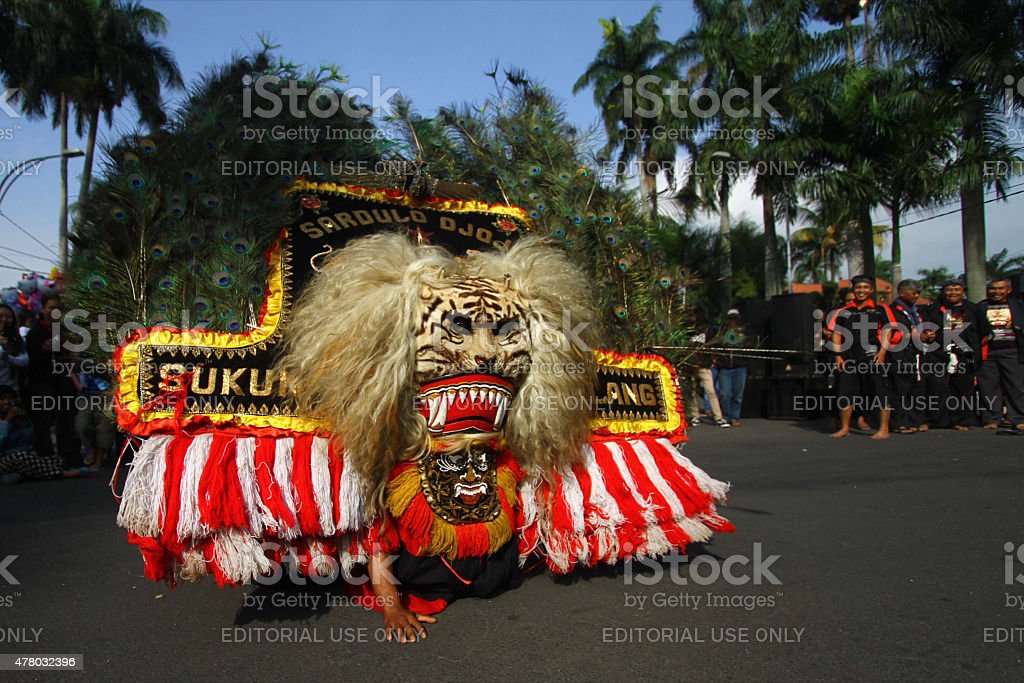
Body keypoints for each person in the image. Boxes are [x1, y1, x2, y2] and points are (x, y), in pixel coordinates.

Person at [826, 274, 895, 439]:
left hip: (873, 357)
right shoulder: (843, 312)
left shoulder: (881, 309)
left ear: (871, 290)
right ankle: (844, 428)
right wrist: (838, 357)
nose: (861, 291)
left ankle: (883, 429)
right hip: (850, 358)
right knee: (845, 394)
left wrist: (882, 352)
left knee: (880, 393)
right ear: (853, 290)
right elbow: (836, 334)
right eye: (858, 288)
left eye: (865, 288)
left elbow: (888, 330)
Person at [24, 294, 80, 467]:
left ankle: (69, 457)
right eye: (50, 307)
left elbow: (69, 358)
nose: (54, 311)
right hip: (41, 383)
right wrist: (44, 350)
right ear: (43, 309)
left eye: (58, 308)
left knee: (67, 420)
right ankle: (47, 458)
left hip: (62, 382)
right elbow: (32, 361)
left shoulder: (63, 331)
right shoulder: (35, 332)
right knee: (44, 422)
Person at [919, 280, 980, 430]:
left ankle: (961, 420)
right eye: (949, 290)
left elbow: (982, 330)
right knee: (935, 388)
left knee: (962, 389)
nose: (953, 293)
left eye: (957, 289)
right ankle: (934, 420)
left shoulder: (973, 309)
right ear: (942, 292)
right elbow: (923, 328)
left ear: (963, 291)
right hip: (938, 353)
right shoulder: (932, 309)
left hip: (964, 353)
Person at [0, 385, 87, 483]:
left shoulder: (19, 418)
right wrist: (7, 421)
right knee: (20, 457)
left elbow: (32, 440)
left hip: (26, 457)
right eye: (2, 399)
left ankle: (24, 475)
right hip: (5, 459)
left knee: (57, 460)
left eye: (9, 398)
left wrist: (24, 421)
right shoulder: (3, 421)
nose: (6, 402)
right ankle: (63, 474)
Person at [976, 278, 1024, 430]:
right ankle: (992, 418)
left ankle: (1017, 418)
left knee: (1016, 386)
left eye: (1000, 289)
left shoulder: (1019, 305)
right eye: (993, 289)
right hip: (987, 352)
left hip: (1012, 350)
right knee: (988, 387)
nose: (996, 292)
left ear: (1008, 290)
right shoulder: (981, 307)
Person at [889, 280, 926, 433]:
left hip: (913, 353)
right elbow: (888, 331)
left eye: (918, 293)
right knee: (899, 390)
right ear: (901, 292)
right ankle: (899, 423)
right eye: (913, 292)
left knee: (914, 389)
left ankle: (913, 420)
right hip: (898, 354)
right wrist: (909, 334)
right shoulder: (892, 310)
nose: (916, 295)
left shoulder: (914, 311)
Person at [684, 324, 730, 428]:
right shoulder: (685, 333)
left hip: (704, 365)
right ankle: (695, 415)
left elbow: (714, 345)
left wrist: (712, 360)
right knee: (691, 392)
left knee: (711, 391)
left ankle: (718, 417)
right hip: (690, 366)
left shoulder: (706, 331)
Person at [71, 366, 115, 471]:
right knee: (82, 426)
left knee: (104, 428)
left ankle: (99, 460)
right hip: (85, 395)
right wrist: (77, 383)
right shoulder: (80, 353)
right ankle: (90, 449)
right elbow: (71, 367)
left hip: (106, 394)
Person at [713, 308, 751, 427]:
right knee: (725, 393)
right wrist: (718, 360)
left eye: (735, 318)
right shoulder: (722, 333)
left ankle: (735, 417)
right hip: (725, 368)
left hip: (740, 367)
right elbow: (716, 346)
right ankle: (727, 415)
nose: (733, 321)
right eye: (730, 319)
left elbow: (751, 347)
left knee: (738, 394)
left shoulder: (744, 333)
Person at [0, 304, 28, 396]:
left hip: (12, 392)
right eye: (1, 316)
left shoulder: (18, 340)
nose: (4, 319)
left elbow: (25, 361)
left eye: (8, 317)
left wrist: (9, 358)